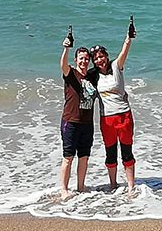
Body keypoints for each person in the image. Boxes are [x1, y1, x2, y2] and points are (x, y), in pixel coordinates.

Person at [94, 18, 138, 196]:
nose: (99, 60)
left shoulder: (116, 66)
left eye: (101, 56)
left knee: (127, 152)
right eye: (96, 59)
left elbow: (124, 51)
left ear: (106, 56)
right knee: (110, 153)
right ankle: (112, 184)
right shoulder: (93, 76)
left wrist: (129, 38)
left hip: (124, 117)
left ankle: (131, 187)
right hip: (107, 120)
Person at [59, 28, 99, 198]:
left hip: (87, 123)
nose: (84, 61)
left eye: (86, 59)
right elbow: (62, 65)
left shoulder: (91, 76)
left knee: (84, 157)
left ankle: (81, 187)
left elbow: (109, 65)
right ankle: (64, 190)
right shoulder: (71, 73)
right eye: (81, 59)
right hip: (71, 121)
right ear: (76, 60)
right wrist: (66, 48)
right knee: (68, 157)